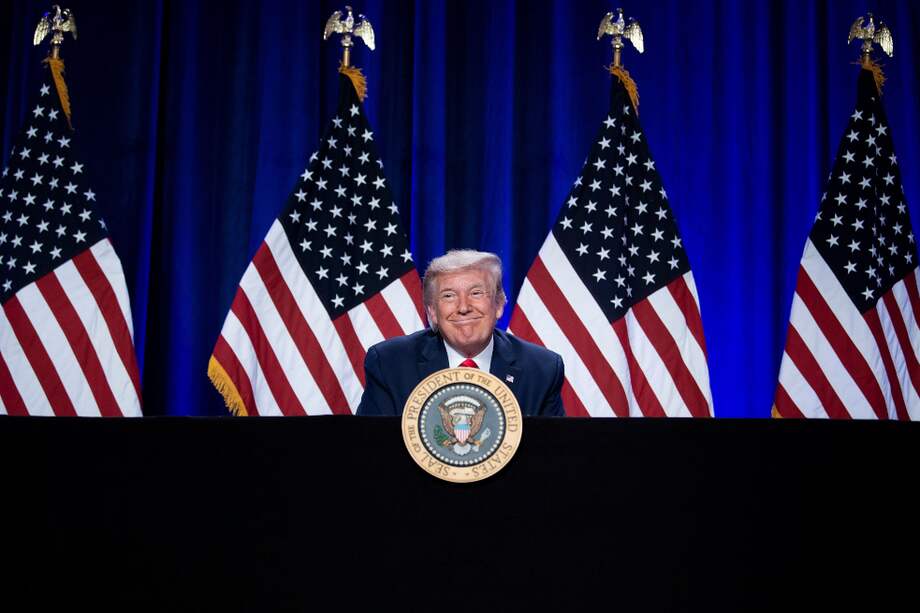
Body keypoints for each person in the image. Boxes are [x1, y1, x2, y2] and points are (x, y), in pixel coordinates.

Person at [356, 249, 565, 416]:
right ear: (432, 312)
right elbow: (374, 451)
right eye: (448, 296)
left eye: (476, 293)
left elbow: (550, 456)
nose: (463, 306)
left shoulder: (542, 368)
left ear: (499, 304)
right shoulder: (389, 363)